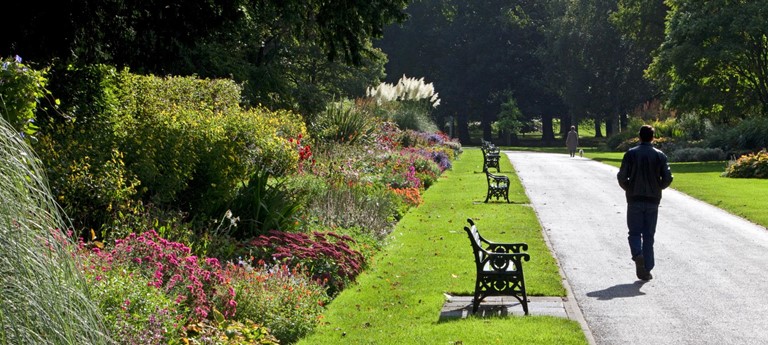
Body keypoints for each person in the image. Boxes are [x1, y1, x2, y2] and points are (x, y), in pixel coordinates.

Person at [616, 125, 673, 281]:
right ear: (652, 137)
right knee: (649, 234)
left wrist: (629, 188)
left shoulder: (631, 154)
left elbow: (622, 176)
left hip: (634, 197)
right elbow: (668, 177)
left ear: (639, 136)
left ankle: (637, 254)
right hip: (653, 199)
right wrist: (658, 187)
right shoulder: (660, 155)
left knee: (634, 232)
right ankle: (647, 268)